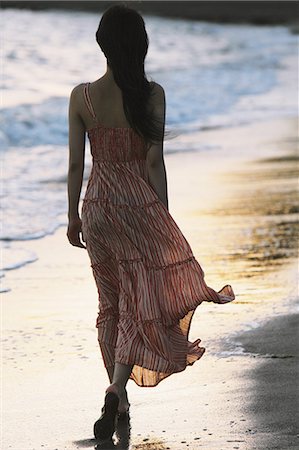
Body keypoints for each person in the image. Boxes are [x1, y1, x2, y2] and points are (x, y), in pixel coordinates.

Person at [67, 4, 235, 441]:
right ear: (141, 45)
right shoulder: (152, 94)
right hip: (137, 210)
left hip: (97, 208)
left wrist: (72, 217)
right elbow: (154, 161)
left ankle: (119, 401)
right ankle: (117, 387)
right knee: (139, 306)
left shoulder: (81, 97)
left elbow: (74, 167)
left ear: (102, 44)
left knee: (110, 306)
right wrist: (163, 215)